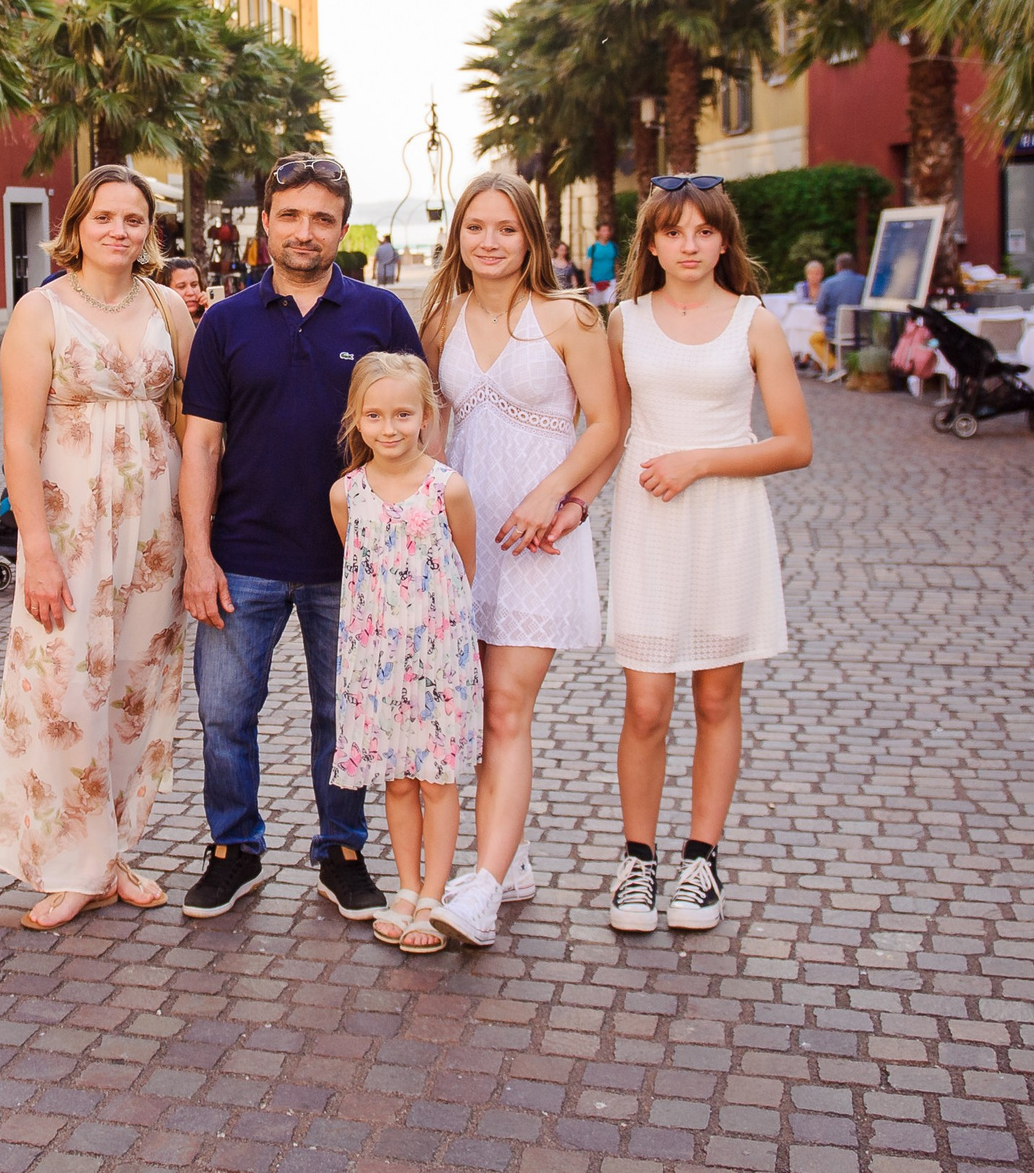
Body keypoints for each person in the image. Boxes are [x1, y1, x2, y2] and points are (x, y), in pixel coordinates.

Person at [181, 154, 425, 921]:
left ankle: (342, 851)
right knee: (224, 714)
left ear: (342, 228)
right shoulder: (224, 323)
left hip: (352, 565)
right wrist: (198, 554)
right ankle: (234, 849)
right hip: (242, 558)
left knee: (343, 715)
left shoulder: (381, 315)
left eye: (322, 218)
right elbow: (199, 446)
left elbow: (418, 432)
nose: (305, 231)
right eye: (290, 215)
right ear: (265, 222)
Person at [0, 165, 197, 931]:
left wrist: (200, 535)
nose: (119, 231)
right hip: (70, 530)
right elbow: (17, 436)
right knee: (67, 691)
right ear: (76, 226)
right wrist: (34, 550)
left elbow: (194, 417)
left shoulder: (168, 305)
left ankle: (111, 854)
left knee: (135, 689)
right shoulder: (40, 312)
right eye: (104, 217)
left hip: (154, 529)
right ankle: (70, 865)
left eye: (133, 219)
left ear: (149, 230)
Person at [604, 175, 812, 934]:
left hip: (725, 518)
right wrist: (562, 502)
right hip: (649, 522)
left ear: (724, 241)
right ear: (651, 243)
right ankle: (637, 860)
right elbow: (609, 428)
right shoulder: (623, 321)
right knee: (647, 702)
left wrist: (699, 460)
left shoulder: (754, 322)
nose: (688, 245)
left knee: (718, 698)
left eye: (702, 231)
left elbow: (795, 443)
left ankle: (701, 861)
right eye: (672, 232)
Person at [420, 171, 622, 949]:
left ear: (530, 236)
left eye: (506, 228)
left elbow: (605, 424)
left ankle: (485, 886)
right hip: (464, 544)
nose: (490, 242)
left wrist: (558, 497)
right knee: (470, 710)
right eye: (476, 228)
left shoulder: (569, 318)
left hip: (537, 541)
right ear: (458, 238)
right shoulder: (440, 320)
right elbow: (435, 433)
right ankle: (514, 853)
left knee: (507, 708)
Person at [328, 352, 480, 955]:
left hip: (437, 654)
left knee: (436, 779)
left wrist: (432, 630)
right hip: (376, 659)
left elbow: (463, 567)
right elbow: (360, 568)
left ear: (426, 417)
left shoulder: (449, 487)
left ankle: (435, 896)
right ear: (356, 420)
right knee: (395, 782)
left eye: (402, 414)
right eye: (374, 415)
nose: (389, 428)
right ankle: (406, 890)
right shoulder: (347, 493)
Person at [815, 251, 865, 376]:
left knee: (814, 339)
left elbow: (820, 309)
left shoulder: (829, 283)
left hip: (835, 331)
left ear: (838, 266)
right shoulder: (864, 281)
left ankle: (836, 366)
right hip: (861, 330)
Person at [586, 223, 619, 312]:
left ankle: (610, 323)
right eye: (604, 231)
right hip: (595, 281)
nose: (607, 233)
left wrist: (618, 280)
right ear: (598, 232)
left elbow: (616, 264)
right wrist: (587, 282)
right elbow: (588, 266)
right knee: (595, 308)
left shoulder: (613, 246)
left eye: (608, 230)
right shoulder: (593, 248)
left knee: (611, 305)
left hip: (610, 280)